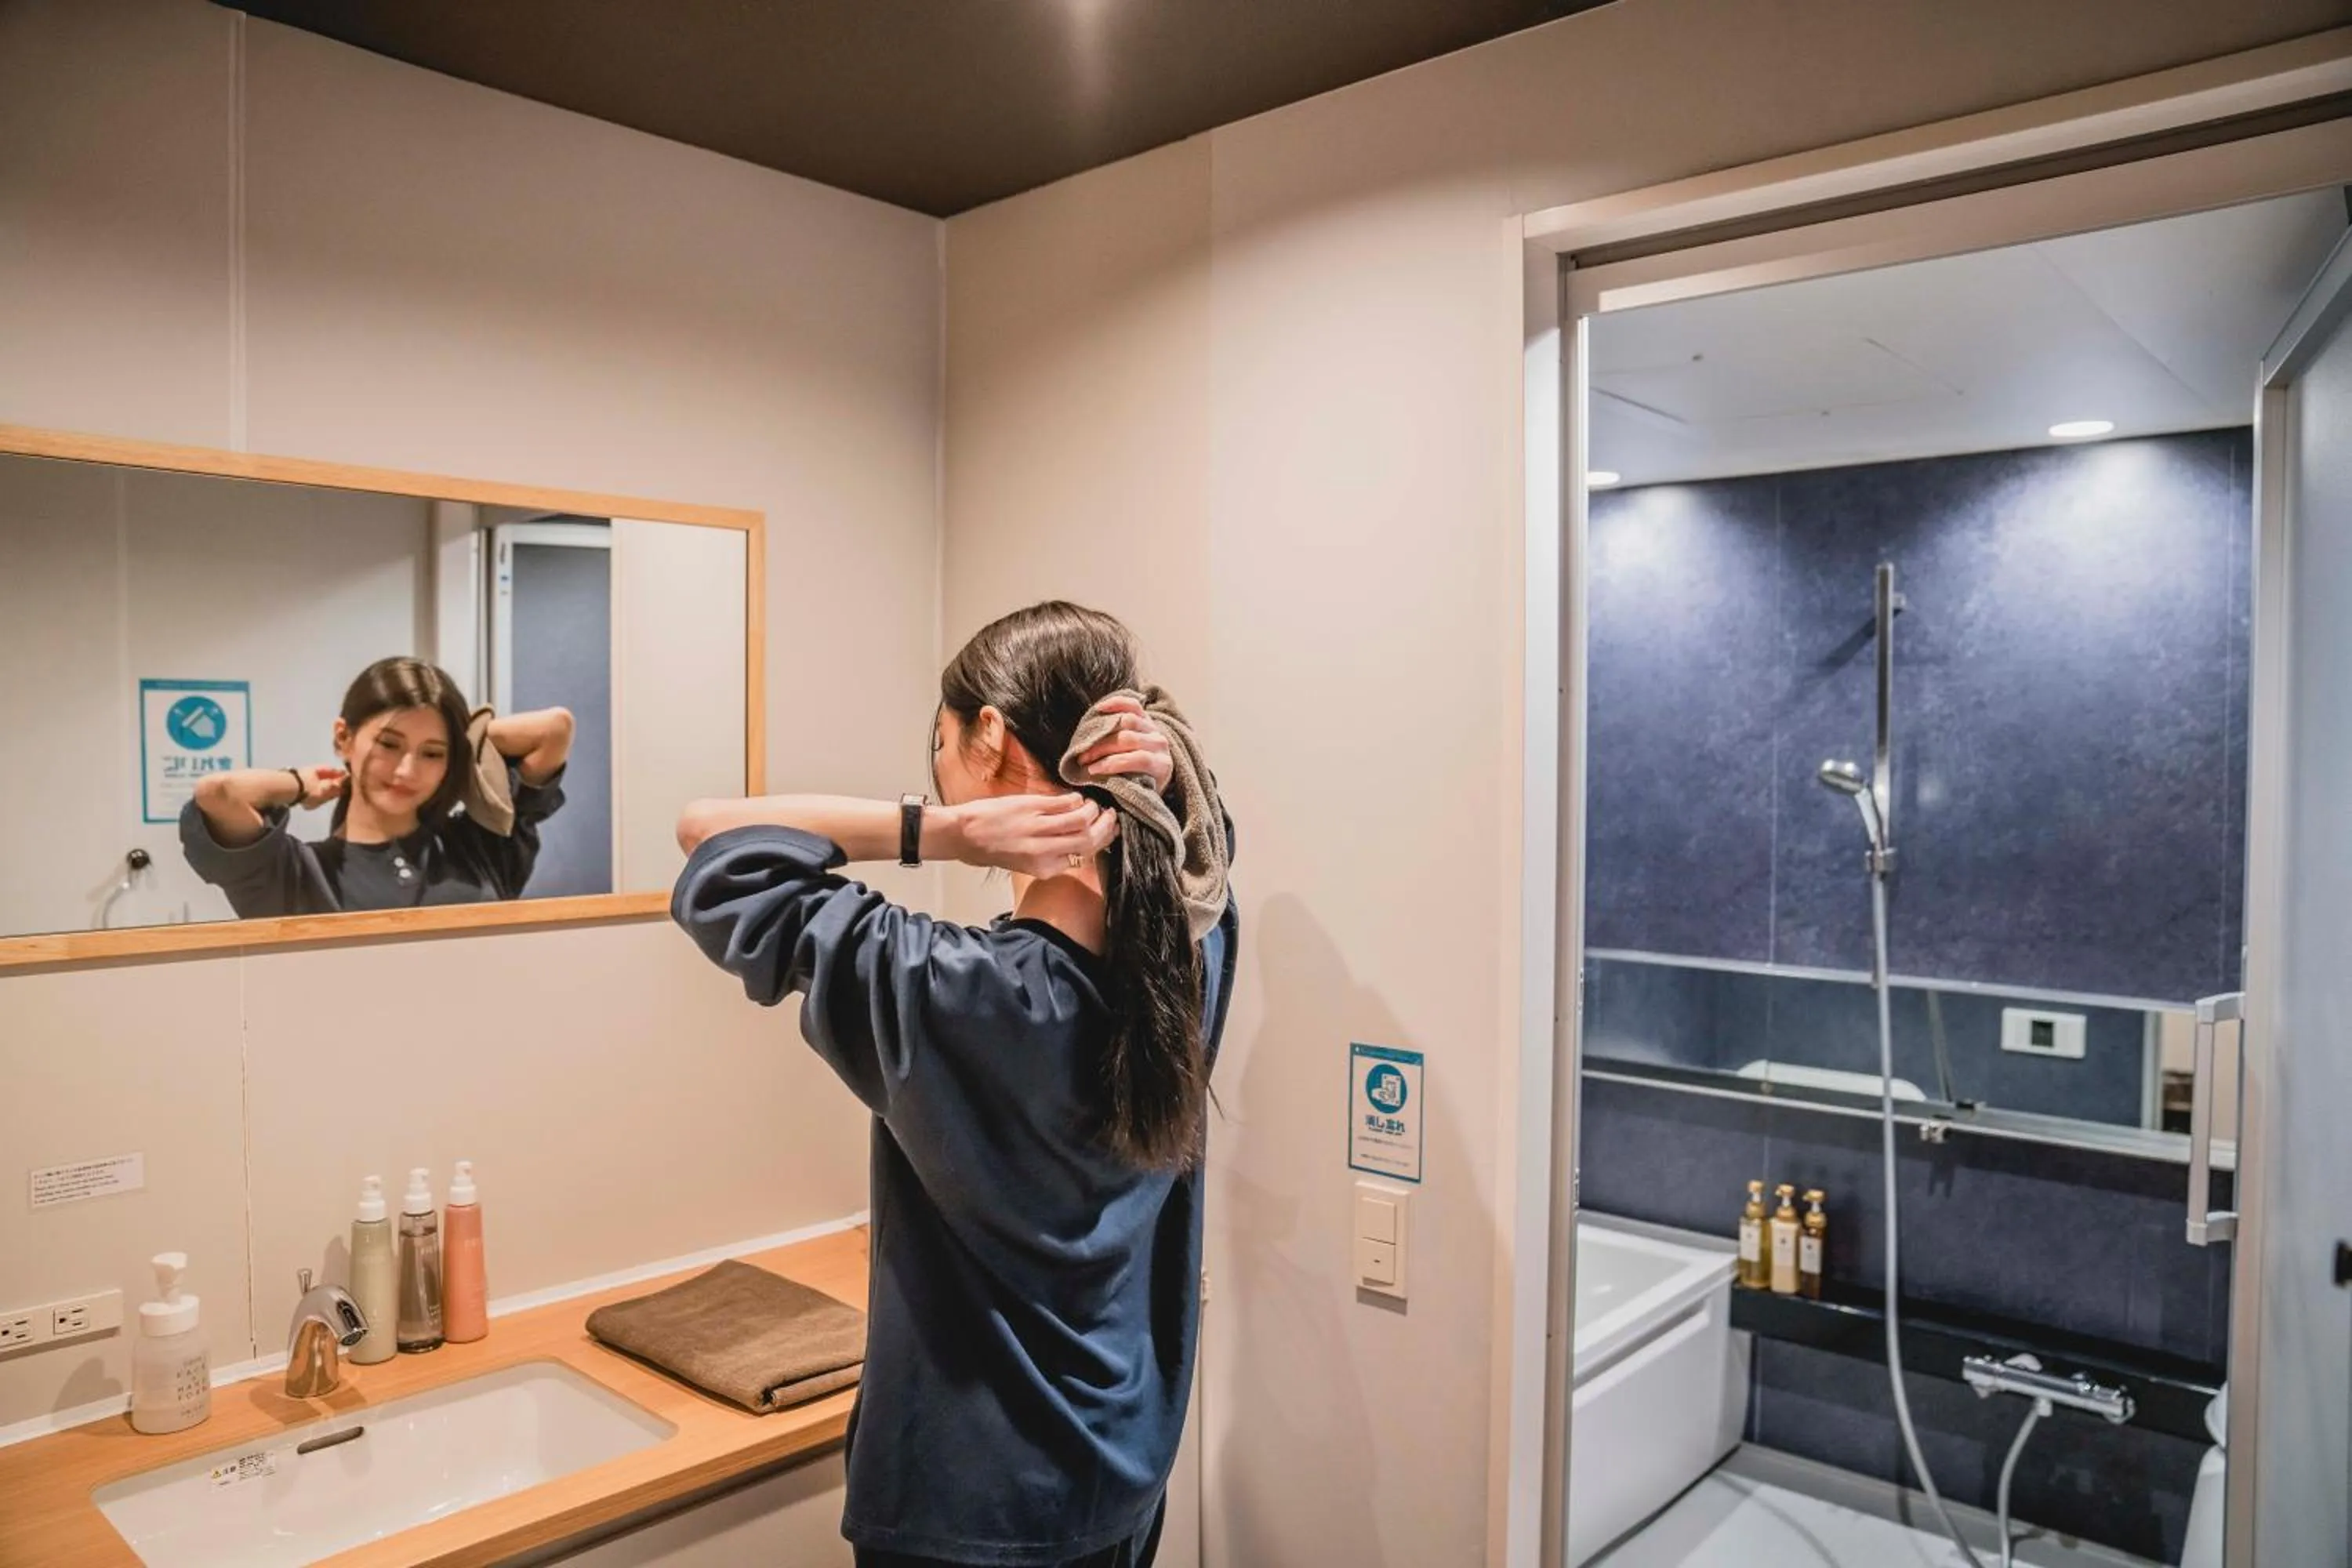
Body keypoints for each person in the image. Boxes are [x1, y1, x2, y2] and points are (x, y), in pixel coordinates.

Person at [671, 601, 1235, 1568]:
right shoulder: (1196, 951)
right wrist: (1164, 765)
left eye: (939, 743)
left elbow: (711, 841)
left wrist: (943, 832)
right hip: (1124, 1471)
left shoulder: (951, 990)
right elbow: (1214, 829)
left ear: (988, 737)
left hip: (970, 1502)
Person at [180, 655, 575, 918]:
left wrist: (461, 748)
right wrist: (300, 784)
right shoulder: (293, 872)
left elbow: (555, 728)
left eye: (431, 754)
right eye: (389, 744)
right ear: (343, 738)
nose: (407, 770)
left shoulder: (483, 846)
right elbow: (220, 792)